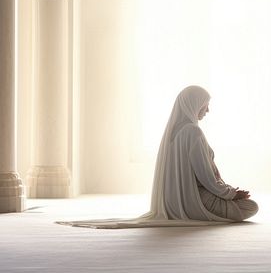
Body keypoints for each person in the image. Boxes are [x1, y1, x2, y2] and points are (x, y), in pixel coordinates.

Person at [58, 85, 257, 228]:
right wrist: (231, 194)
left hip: (174, 201)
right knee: (251, 206)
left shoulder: (174, 132)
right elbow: (205, 177)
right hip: (196, 199)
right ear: (195, 104)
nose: (208, 110)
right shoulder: (193, 133)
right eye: (205, 105)